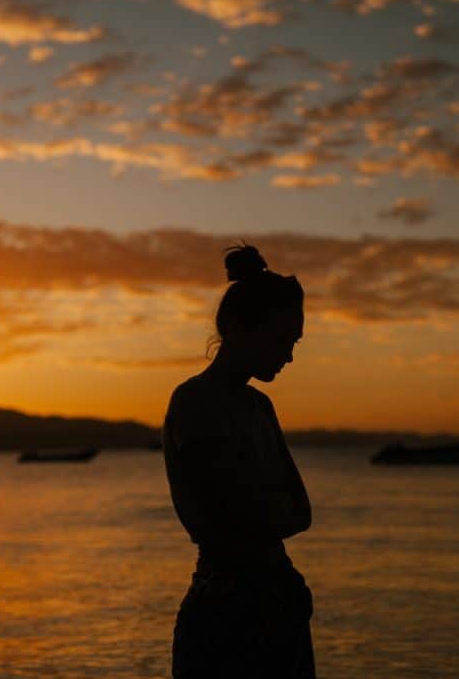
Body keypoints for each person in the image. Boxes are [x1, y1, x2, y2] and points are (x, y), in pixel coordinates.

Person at [162, 243, 315, 678]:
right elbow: (228, 512)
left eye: (294, 343)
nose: (287, 355)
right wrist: (268, 510)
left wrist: (264, 509)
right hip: (225, 616)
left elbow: (301, 511)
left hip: (278, 607)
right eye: (280, 340)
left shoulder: (260, 408)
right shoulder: (195, 402)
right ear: (236, 328)